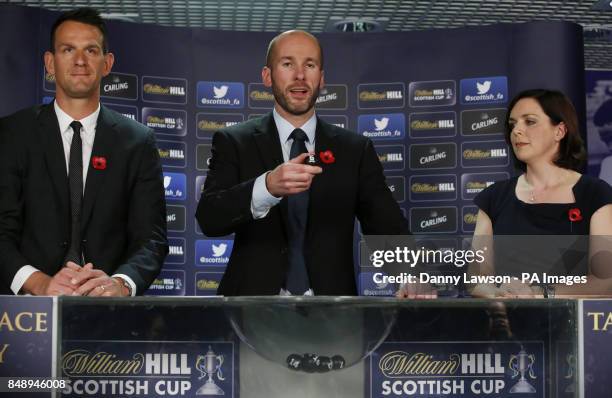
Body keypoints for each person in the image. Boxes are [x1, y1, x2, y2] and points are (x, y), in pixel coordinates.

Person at [196, 30, 408, 296]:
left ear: (321, 78)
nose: (299, 75)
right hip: (252, 313)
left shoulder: (354, 150)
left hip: (334, 316)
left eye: (310, 65)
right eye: (287, 64)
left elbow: (386, 226)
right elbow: (209, 218)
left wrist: (410, 275)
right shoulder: (234, 141)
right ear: (267, 76)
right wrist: (267, 187)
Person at [0, 8, 168, 296]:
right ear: (50, 63)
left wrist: (120, 284)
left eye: (91, 50)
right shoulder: (12, 134)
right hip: (26, 316)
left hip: (108, 317)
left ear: (107, 63)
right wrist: (42, 284)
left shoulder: (138, 142)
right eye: (68, 50)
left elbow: (150, 240)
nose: (79, 60)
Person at [470, 89, 612, 298]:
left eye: (529, 122)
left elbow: (605, 282)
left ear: (560, 131)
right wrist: (499, 293)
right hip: (507, 323)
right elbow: (476, 280)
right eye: (512, 124)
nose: (517, 130)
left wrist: (540, 293)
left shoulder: (594, 193)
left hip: (573, 326)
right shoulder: (494, 197)